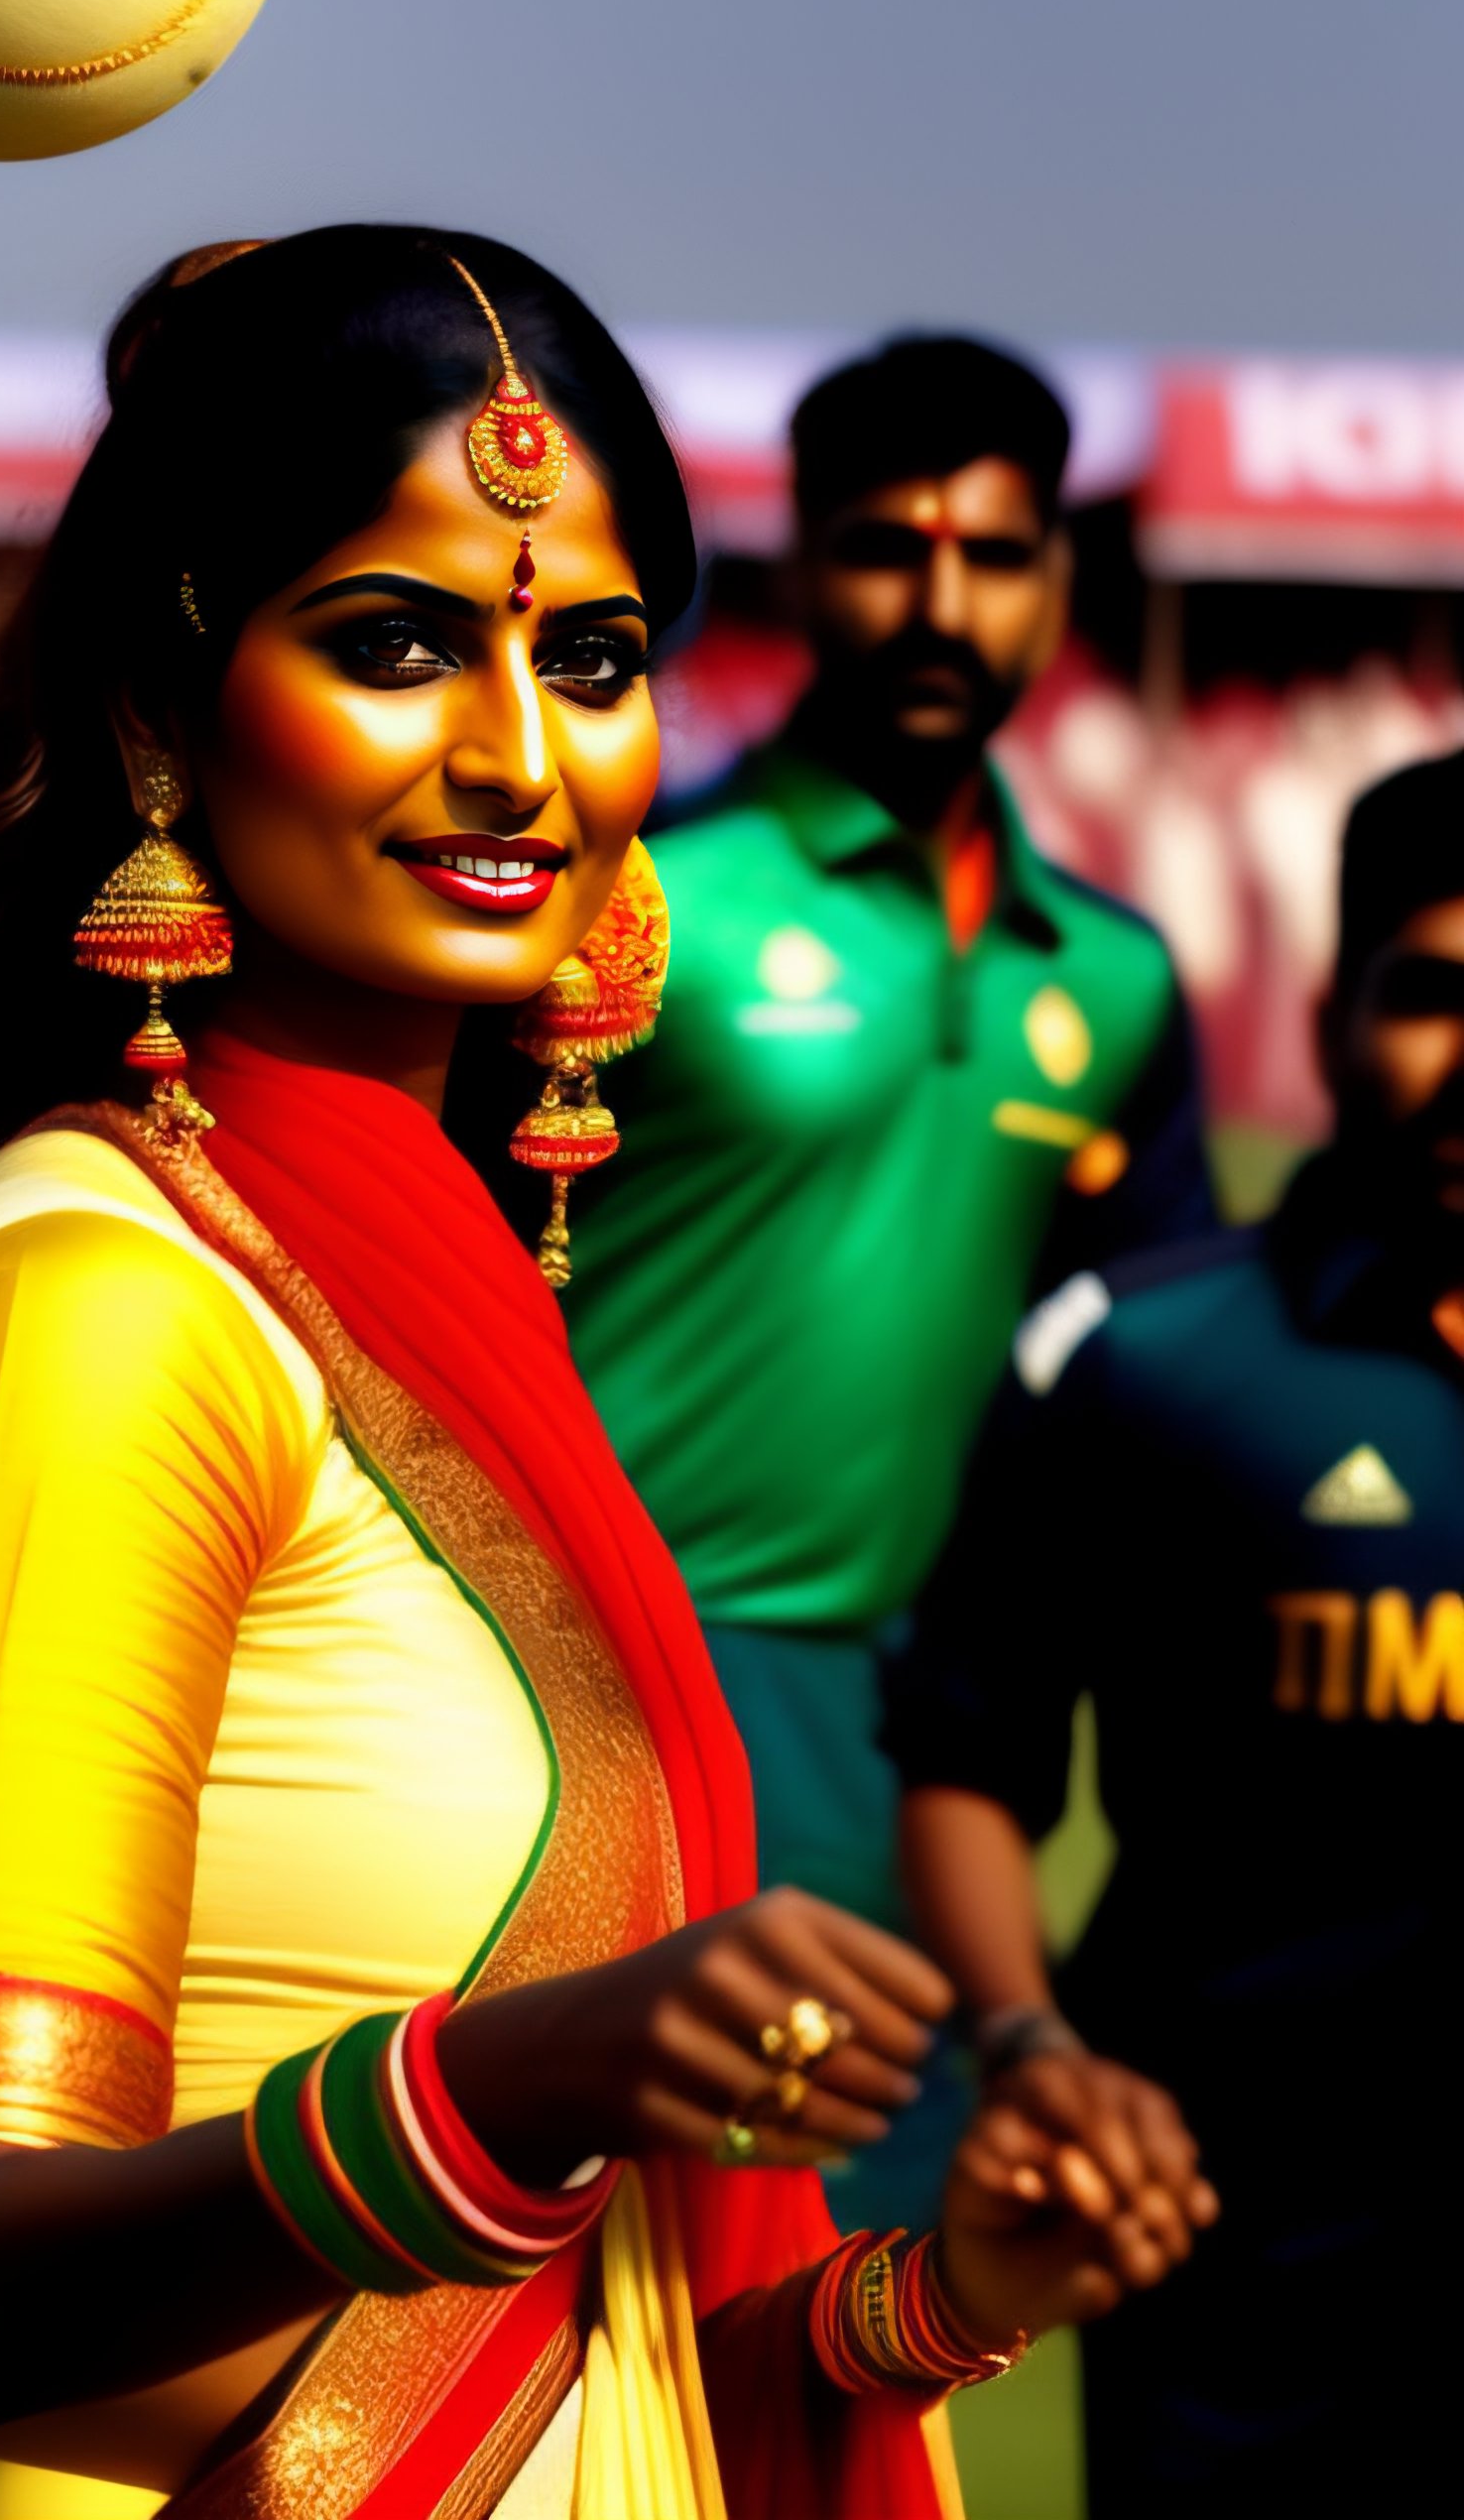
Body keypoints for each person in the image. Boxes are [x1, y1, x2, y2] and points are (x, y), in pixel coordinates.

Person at [0, 232, 1193, 2520]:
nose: (519, 757)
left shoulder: (424, 1287)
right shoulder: (90, 1313)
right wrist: (526, 2077)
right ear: (160, 706)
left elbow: (608, 2362)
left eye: (593, 657)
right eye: (397, 642)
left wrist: (950, 2289)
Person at [563, 332, 1214, 2221]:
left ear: (1058, 583)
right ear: (802, 565)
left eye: (994, 556)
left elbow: (1147, 1390)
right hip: (618, 1694)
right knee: (602, 2312)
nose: (943, 606)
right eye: (886, 549)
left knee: (880, 2321)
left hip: (927, 1751)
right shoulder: (638, 902)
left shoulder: (1115, 979)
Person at [887, 746, 1464, 2514]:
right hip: (1230, 2262)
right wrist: (1030, 2045)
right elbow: (965, 1759)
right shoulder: (1138, 1358)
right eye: (1433, 993)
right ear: (1334, 1010)